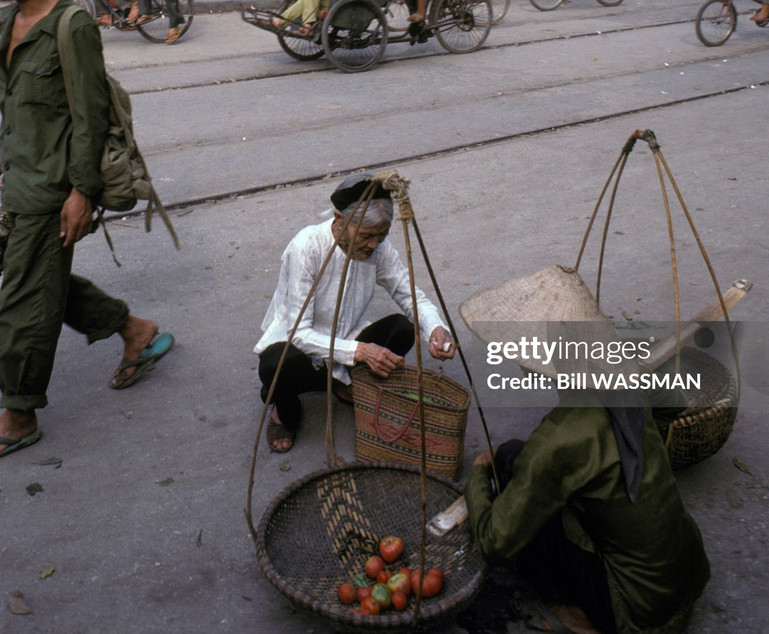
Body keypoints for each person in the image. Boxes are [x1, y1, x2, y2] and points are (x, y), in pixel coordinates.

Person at [0, 0, 174, 467]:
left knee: (22, 301)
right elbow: (20, 97)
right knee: (34, 275)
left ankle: (19, 413)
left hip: (54, 186)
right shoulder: (12, 18)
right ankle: (134, 330)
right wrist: (10, 147)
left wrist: (82, 192)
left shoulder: (71, 25)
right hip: (23, 175)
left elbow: (88, 115)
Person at [465, 403, 710, 634]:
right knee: (523, 458)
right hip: (684, 582)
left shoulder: (560, 434)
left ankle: (573, 613)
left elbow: (493, 544)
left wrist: (478, 471)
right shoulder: (631, 389)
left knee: (509, 462)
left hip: (637, 613)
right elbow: (671, 406)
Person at [254, 174, 456, 453]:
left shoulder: (380, 250)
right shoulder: (307, 247)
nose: (374, 244)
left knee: (402, 328)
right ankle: (284, 411)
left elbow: (410, 295)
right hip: (302, 349)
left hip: (347, 338)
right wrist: (360, 352)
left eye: (381, 236)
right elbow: (299, 333)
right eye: (366, 236)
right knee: (275, 364)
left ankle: (343, 383)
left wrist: (435, 327)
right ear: (340, 219)